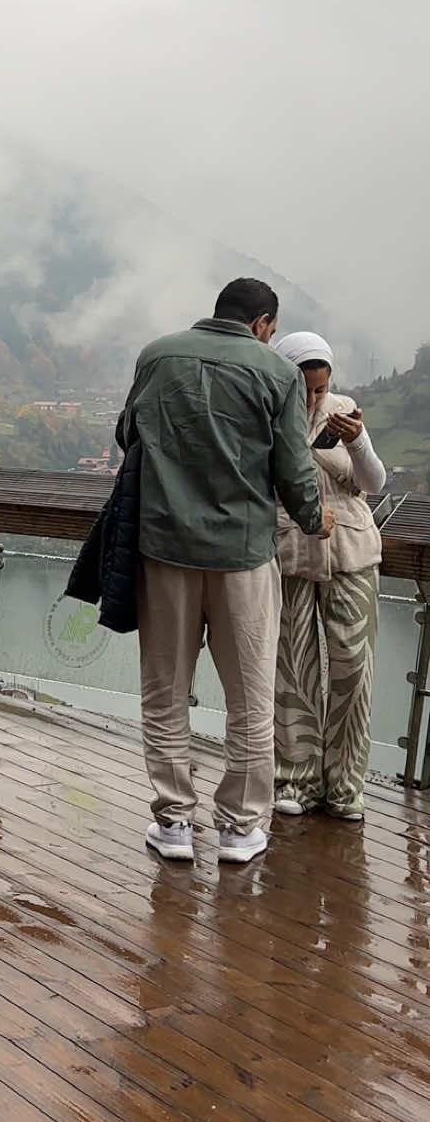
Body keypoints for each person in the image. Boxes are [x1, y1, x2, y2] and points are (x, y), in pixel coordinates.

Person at [120, 278, 334, 864]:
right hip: (242, 558)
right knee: (249, 699)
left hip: (164, 550)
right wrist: (317, 518)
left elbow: (127, 435)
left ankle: (174, 823)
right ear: (264, 323)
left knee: (165, 692)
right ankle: (240, 828)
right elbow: (294, 472)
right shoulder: (277, 373)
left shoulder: (157, 355)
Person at [271, 332, 387, 822]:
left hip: (352, 552)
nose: (314, 397)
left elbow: (374, 483)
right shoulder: (266, 415)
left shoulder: (347, 410)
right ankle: (295, 781)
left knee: (353, 669)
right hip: (291, 549)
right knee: (293, 668)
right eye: (306, 387)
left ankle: (345, 788)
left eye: (321, 387)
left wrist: (357, 441)